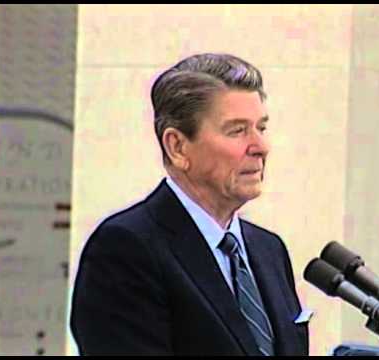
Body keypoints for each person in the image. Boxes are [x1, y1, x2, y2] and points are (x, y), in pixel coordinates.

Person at [70, 53, 309, 356]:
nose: (261, 147)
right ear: (178, 146)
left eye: (261, 128)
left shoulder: (268, 249)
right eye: (237, 130)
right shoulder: (126, 249)